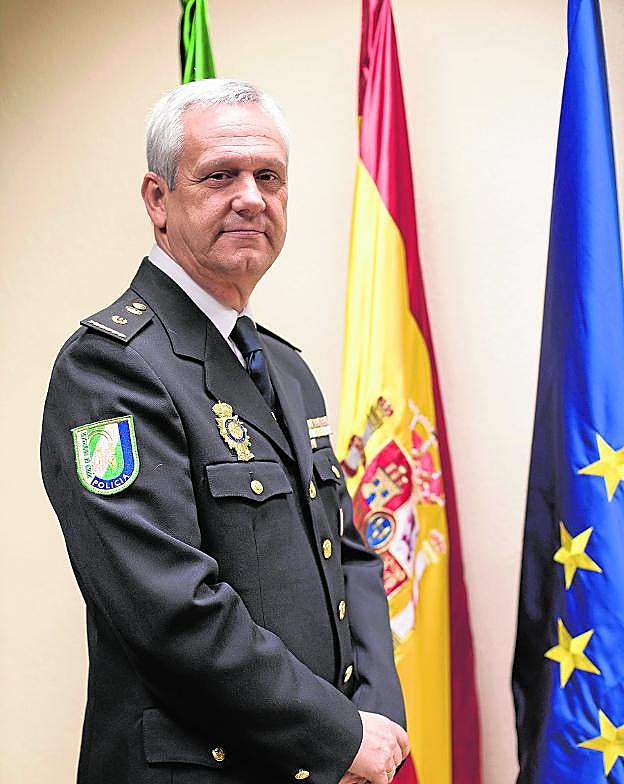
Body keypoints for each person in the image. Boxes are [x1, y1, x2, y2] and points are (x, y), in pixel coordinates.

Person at [40, 79, 408, 784]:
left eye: (269, 176)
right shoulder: (111, 369)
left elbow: (351, 557)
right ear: (158, 200)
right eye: (220, 175)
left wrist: (375, 720)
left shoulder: (286, 369)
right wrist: (336, 735)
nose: (251, 197)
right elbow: (169, 609)